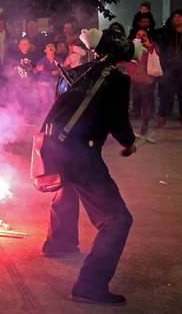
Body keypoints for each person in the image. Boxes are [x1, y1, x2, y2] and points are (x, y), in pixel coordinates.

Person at [40, 29, 137, 306]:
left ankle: (59, 243)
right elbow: (118, 119)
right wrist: (128, 143)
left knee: (68, 187)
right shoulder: (117, 79)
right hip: (80, 152)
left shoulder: (79, 70)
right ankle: (90, 286)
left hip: (56, 147)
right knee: (117, 219)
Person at [126, 29, 160, 141]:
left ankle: (144, 128)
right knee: (130, 101)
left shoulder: (152, 45)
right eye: (138, 34)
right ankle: (127, 129)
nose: (141, 37)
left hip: (146, 78)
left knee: (146, 102)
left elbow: (157, 55)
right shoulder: (133, 45)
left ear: (148, 36)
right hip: (133, 77)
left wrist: (149, 46)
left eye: (143, 35)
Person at [34, 42, 62, 112]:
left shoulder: (58, 60)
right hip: (43, 84)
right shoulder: (42, 60)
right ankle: (44, 117)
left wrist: (58, 71)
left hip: (53, 85)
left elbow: (62, 71)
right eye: (48, 47)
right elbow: (35, 71)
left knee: (53, 102)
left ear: (54, 49)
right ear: (45, 50)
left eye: (52, 47)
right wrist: (37, 68)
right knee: (45, 103)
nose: (50, 48)